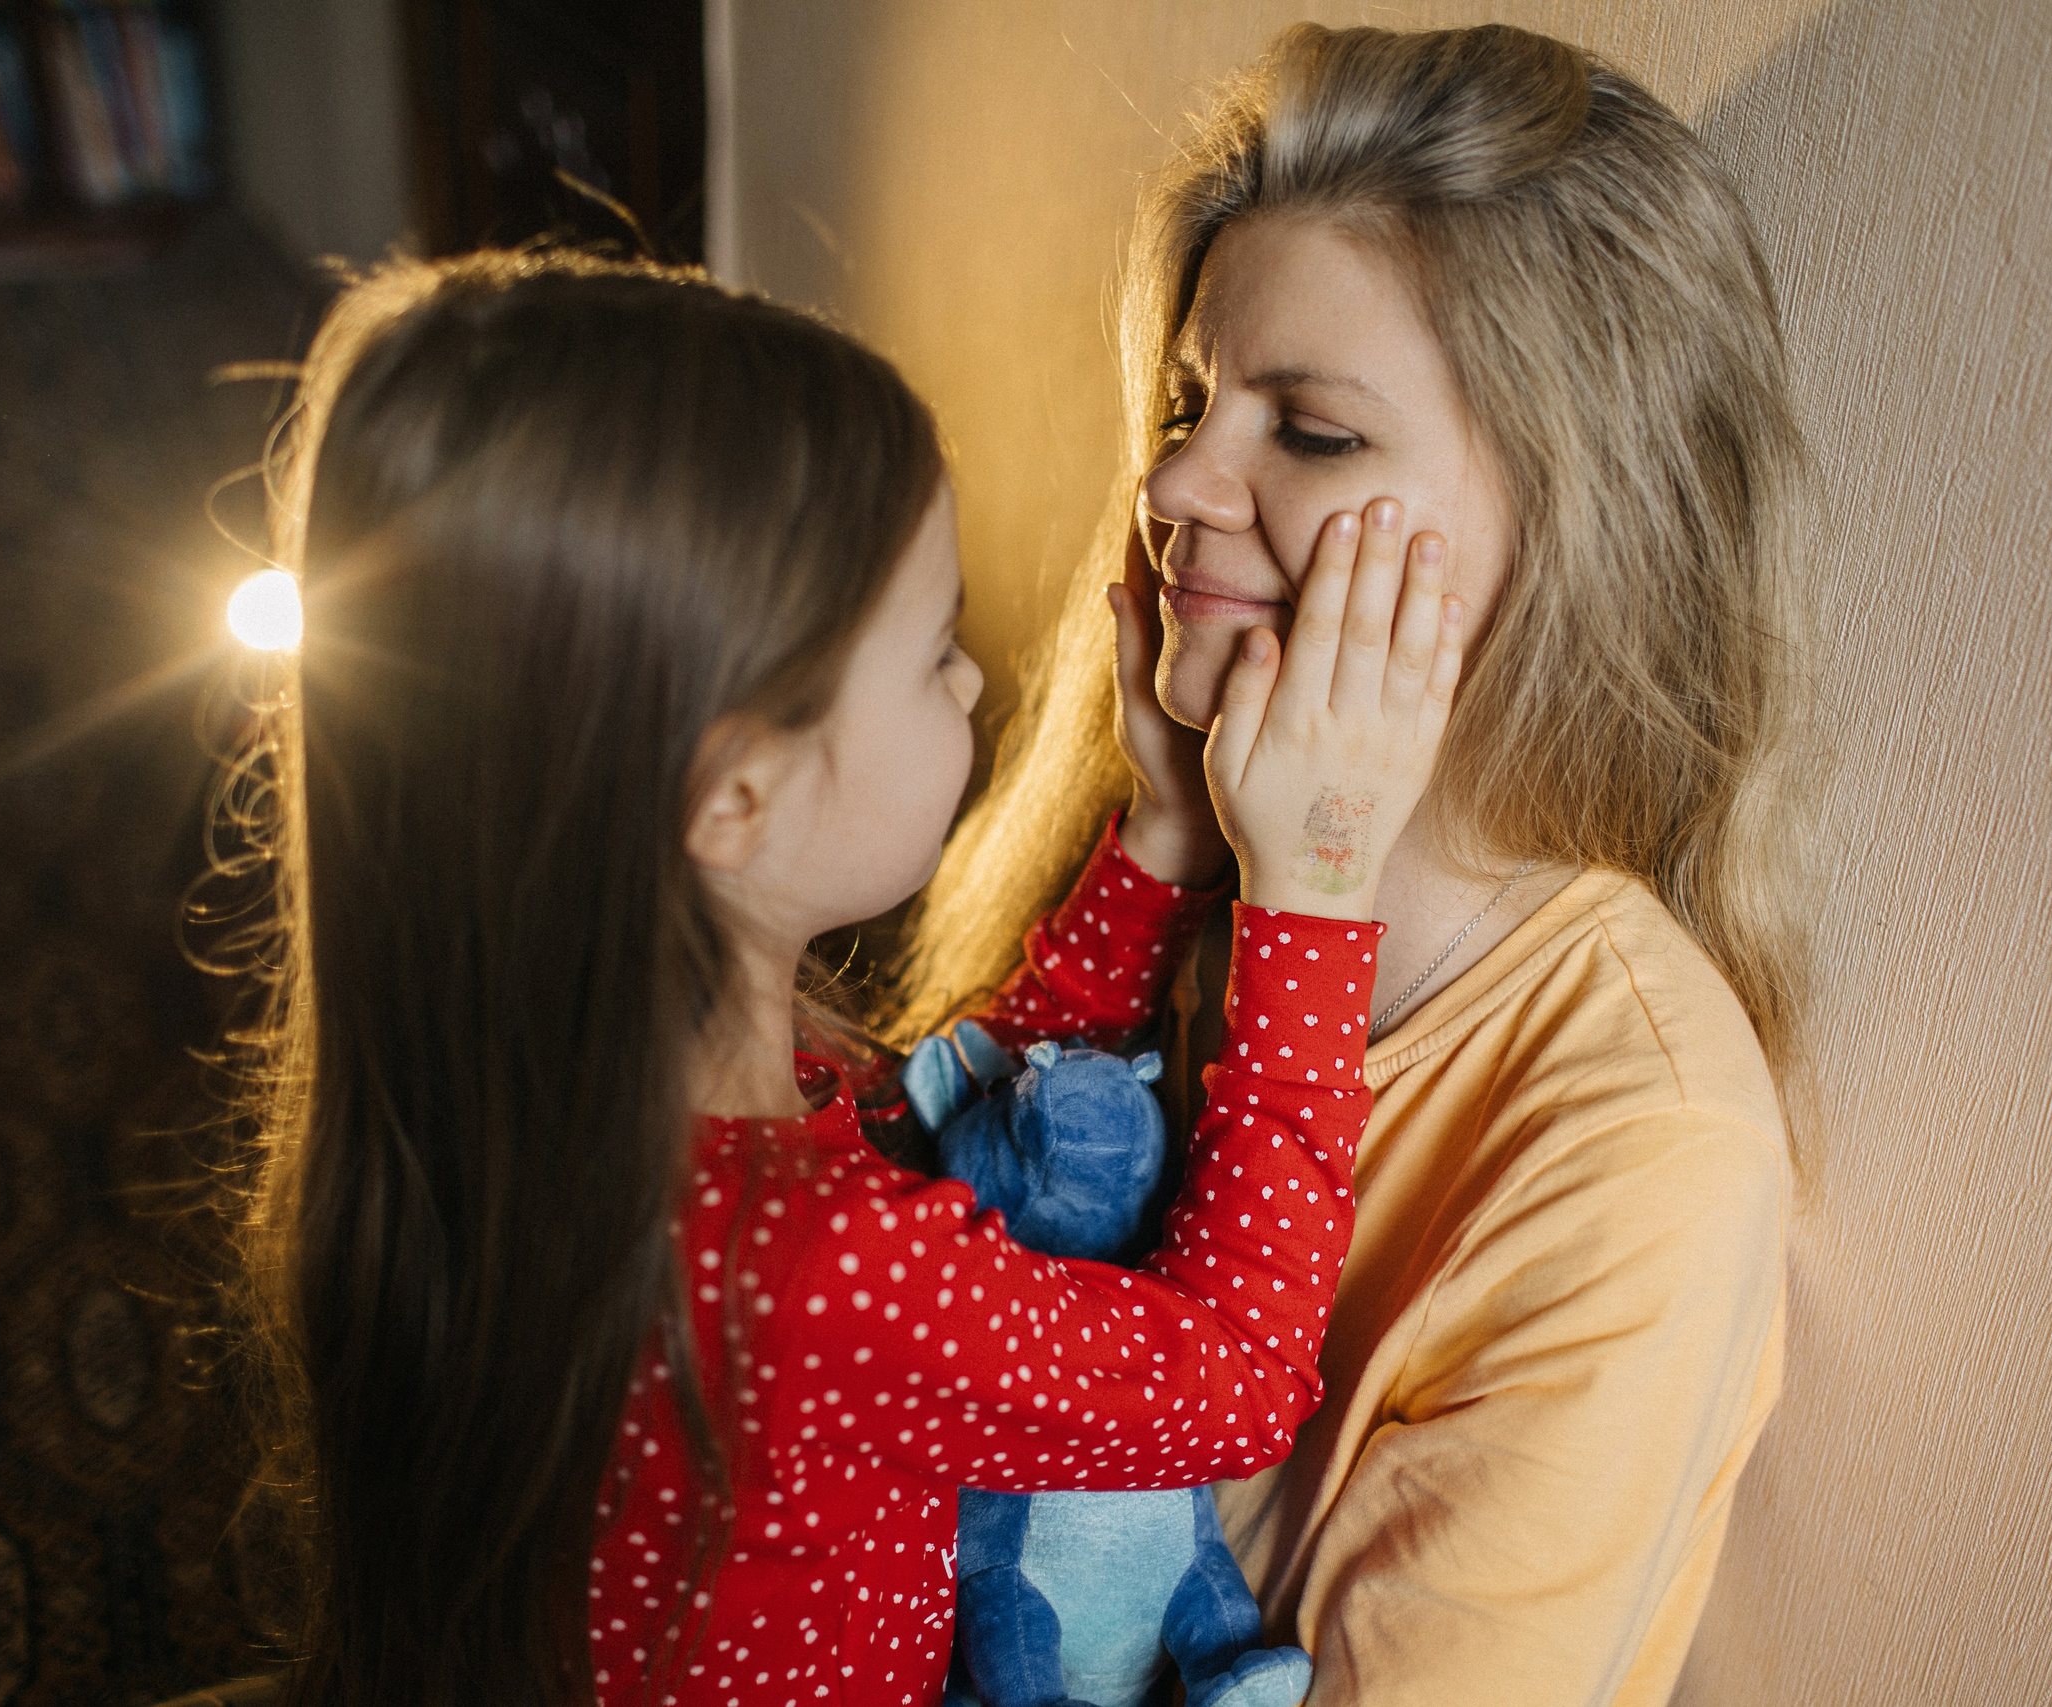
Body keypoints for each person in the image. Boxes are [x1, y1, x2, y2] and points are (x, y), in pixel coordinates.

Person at [225, 248, 1469, 1707]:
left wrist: (1162, 840)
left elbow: (947, 1123)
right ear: (735, 796)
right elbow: (1232, 1379)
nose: (973, 683)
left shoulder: (551, 1117)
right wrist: (1315, 892)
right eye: (936, 650)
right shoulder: (809, 1267)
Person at [898, 22, 1806, 1706]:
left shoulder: (1641, 1148)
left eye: (1308, 434)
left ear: (1576, 523)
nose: (1172, 480)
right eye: (1185, 403)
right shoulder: (1181, 857)